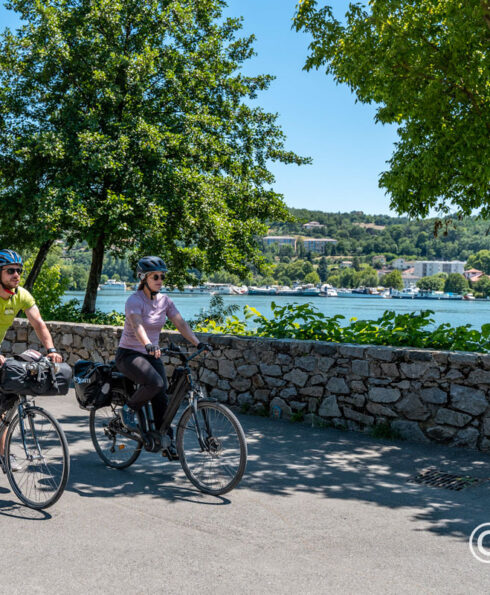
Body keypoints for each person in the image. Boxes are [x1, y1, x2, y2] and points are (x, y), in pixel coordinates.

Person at [115, 256, 209, 459]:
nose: (160, 280)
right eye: (155, 276)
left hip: (150, 353)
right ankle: (129, 408)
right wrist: (148, 343)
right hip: (130, 354)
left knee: (162, 396)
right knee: (156, 383)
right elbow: (137, 325)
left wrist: (197, 342)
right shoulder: (134, 300)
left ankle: (165, 440)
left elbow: (180, 323)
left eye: (162, 276)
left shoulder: (165, 301)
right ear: (143, 278)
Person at [0, 249, 63, 470]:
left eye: (19, 270)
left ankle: (5, 453)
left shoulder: (21, 295)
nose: (16, 274)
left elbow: (38, 323)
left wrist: (51, 349)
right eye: (10, 271)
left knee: (4, 404)